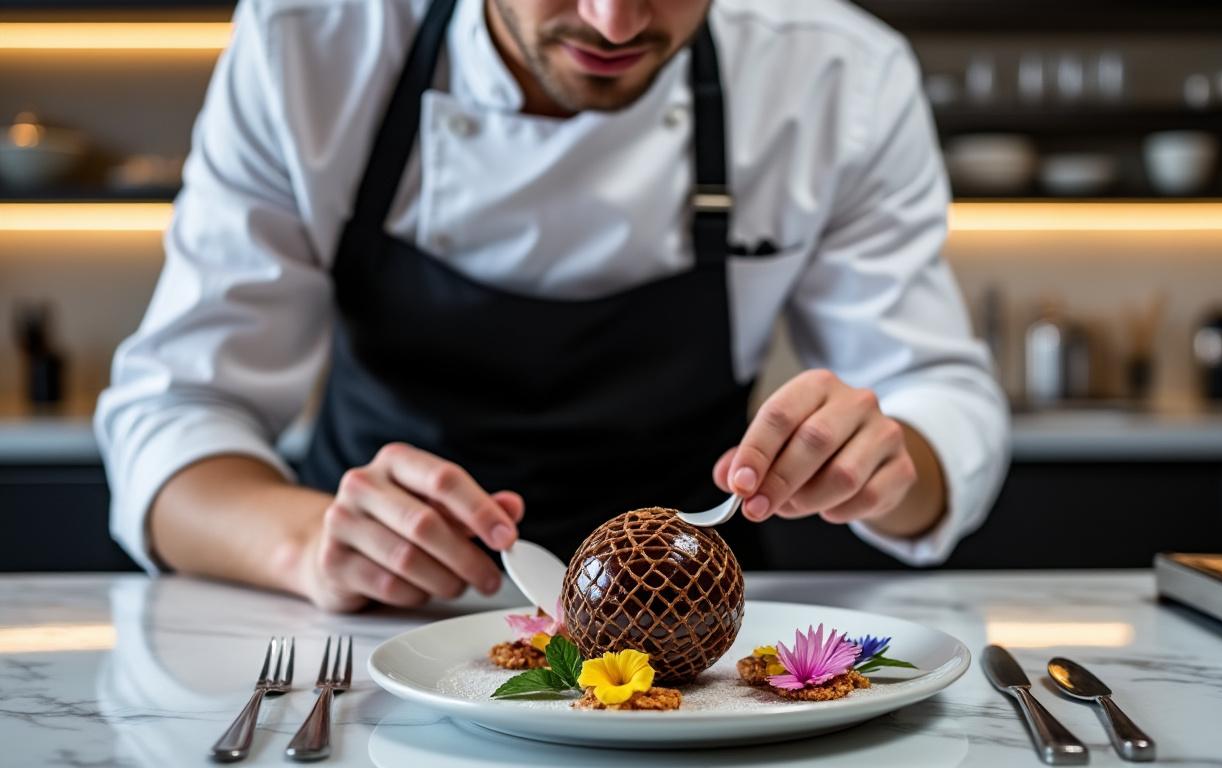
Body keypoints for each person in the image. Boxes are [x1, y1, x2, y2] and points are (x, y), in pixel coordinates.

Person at [96, 0, 1009, 612]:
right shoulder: (312, 41)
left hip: (700, 659)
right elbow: (175, 413)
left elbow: (937, 398)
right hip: (376, 634)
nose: (615, 21)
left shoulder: (836, 74)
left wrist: (880, 464)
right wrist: (306, 546)